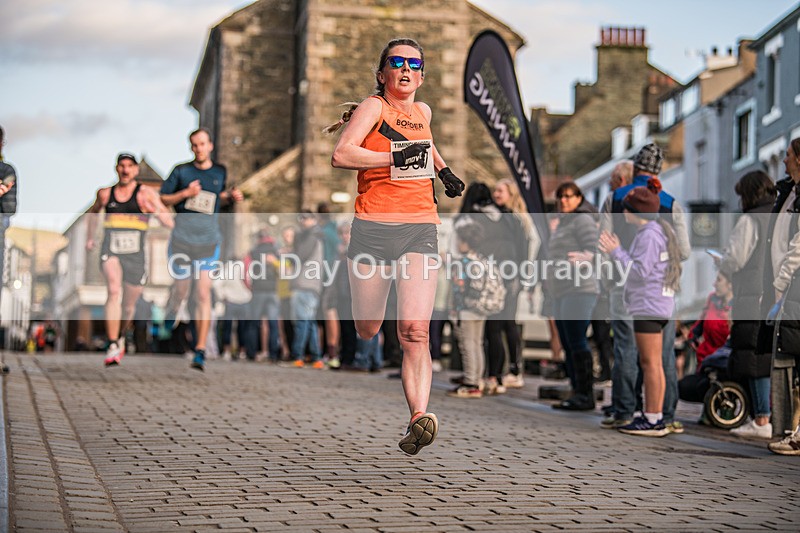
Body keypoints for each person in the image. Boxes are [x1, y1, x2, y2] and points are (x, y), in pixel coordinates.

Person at [328, 38, 464, 455]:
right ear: (382, 72)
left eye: (414, 64)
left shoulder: (422, 111)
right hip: (373, 227)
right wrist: (393, 161)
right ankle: (380, 302)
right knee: (367, 328)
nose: (406, 69)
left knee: (415, 331)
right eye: (397, 62)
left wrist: (444, 171)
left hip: (419, 226)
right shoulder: (374, 108)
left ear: (422, 75)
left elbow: (424, 146)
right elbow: (342, 154)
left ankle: (419, 415)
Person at [599, 144, 690, 433]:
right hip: (663, 289)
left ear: (635, 168)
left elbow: (603, 245)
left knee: (627, 350)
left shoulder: (614, 199)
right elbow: (685, 251)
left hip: (627, 287)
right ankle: (667, 413)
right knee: (662, 356)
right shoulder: (670, 203)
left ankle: (626, 410)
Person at [160, 128, 243, 371]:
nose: (199, 148)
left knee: (203, 294)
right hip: (182, 242)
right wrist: (186, 193)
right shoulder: (181, 171)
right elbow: (163, 198)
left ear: (210, 146)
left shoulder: (220, 171)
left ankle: (200, 349)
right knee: (182, 292)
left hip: (209, 242)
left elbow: (217, 198)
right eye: (194, 145)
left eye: (203, 144)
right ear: (191, 147)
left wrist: (231, 196)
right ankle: (172, 308)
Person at [86, 153, 173, 366]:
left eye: (129, 167)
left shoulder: (146, 194)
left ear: (135, 170)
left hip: (135, 255)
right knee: (114, 291)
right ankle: (113, 342)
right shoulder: (106, 194)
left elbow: (168, 221)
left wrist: (157, 213)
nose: (125, 170)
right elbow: (93, 213)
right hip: (111, 249)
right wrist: (90, 238)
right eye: (121, 166)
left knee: (128, 305)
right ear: (117, 169)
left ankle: (122, 333)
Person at [715, 171, 776, 439]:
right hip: (776, 293)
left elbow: (735, 259)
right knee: (774, 358)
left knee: (754, 356)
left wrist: (722, 263)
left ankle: (761, 418)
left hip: (752, 294)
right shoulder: (781, 214)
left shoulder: (750, 220)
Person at [762, 139, 800, 454]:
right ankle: (789, 428)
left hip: (791, 286)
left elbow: (797, 245)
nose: (783, 160)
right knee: (787, 360)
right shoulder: (788, 192)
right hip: (784, 287)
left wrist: (782, 280)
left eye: (788, 155)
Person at [548, 181, 599, 411]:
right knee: (568, 341)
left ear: (579, 198)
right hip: (562, 289)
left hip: (580, 288)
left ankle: (585, 394)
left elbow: (595, 249)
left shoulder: (583, 219)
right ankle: (576, 390)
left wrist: (586, 257)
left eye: (569, 196)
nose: (564, 201)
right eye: (561, 197)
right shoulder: (564, 222)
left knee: (577, 340)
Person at [290, 211, 324, 368]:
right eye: (300, 218)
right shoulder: (316, 235)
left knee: (302, 321)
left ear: (313, 219)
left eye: (305, 218)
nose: (302, 221)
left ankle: (298, 356)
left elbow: (300, 256)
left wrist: (292, 247)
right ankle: (316, 357)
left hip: (306, 283)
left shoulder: (310, 236)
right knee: (309, 322)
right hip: (312, 284)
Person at [245, 228, 281, 362]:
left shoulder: (253, 252)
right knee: (273, 323)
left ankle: (251, 353)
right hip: (273, 290)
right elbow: (284, 270)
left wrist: (249, 287)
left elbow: (245, 271)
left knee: (254, 323)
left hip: (258, 290)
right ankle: (273, 354)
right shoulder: (276, 252)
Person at [687, 272, 732, 367]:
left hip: (724, 362)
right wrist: (693, 336)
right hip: (704, 359)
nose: (714, 284)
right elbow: (701, 322)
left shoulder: (737, 308)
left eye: (719, 280)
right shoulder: (712, 298)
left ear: (730, 285)